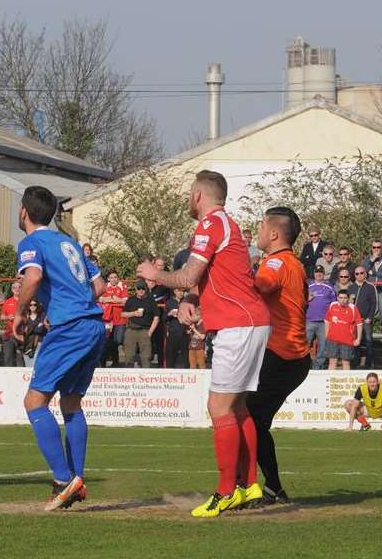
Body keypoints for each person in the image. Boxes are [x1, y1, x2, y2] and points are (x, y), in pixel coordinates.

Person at [135, 169, 270, 518]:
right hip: (248, 322)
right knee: (237, 409)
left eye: (189, 193)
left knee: (219, 409)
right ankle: (248, 484)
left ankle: (225, 492)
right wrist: (189, 299)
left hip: (238, 326)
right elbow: (205, 279)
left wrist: (155, 276)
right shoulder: (226, 224)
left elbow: (188, 274)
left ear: (198, 194)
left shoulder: (210, 225)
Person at [10, 186, 106, 511]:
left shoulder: (31, 243)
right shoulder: (69, 243)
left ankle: (64, 480)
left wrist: (20, 312)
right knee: (71, 403)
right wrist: (78, 305)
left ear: (24, 211)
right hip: (94, 325)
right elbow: (99, 285)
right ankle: (75, 482)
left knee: (35, 402)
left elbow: (34, 277)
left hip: (70, 328)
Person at [246, 206, 311, 506]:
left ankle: (248, 487)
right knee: (254, 419)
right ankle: (269, 487)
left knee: (243, 416)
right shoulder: (294, 264)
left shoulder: (275, 263)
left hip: (282, 355)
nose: (257, 232)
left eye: (260, 226)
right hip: (293, 358)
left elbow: (259, 288)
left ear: (273, 234)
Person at [122, 280, 159, 368]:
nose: (141, 290)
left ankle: (146, 378)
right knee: (129, 356)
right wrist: (133, 313)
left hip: (145, 330)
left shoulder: (151, 301)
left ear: (145, 289)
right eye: (139, 288)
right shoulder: (131, 300)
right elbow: (123, 314)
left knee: (146, 357)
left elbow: (156, 317)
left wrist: (150, 331)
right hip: (131, 329)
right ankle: (128, 378)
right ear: (135, 289)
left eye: (143, 288)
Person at [306, 265, 335, 370]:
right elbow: (300, 301)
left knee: (323, 345)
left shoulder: (330, 287)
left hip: (324, 321)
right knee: (305, 344)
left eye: (321, 272)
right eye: (317, 272)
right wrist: (307, 299)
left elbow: (334, 304)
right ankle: (304, 365)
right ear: (314, 274)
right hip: (309, 320)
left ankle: (318, 366)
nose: (318, 274)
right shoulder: (308, 286)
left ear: (324, 274)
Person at [324, 289, 361, 371]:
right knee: (332, 362)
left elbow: (359, 324)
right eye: (340, 298)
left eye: (345, 298)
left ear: (348, 298)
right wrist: (326, 335)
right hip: (332, 339)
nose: (342, 300)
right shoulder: (332, 305)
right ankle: (330, 382)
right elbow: (327, 321)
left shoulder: (353, 308)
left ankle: (345, 383)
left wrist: (358, 339)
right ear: (337, 298)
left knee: (346, 363)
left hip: (347, 340)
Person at [99, 271, 128, 367]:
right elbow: (100, 299)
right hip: (107, 319)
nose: (114, 279)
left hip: (120, 319)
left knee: (117, 340)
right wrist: (113, 298)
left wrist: (115, 300)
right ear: (108, 279)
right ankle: (109, 362)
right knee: (107, 341)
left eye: (115, 277)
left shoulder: (122, 286)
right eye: (111, 277)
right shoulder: (105, 286)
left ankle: (115, 361)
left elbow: (125, 301)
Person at [352, 266, 378, 368]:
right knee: (355, 342)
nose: (359, 275)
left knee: (368, 341)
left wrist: (370, 317)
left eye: (361, 273)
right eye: (357, 274)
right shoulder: (351, 287)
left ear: (365, 274)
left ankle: (370, 364)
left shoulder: (370, 286)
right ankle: (355, 363)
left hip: (365, 320)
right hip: (354, 321)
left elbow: (373, 303)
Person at [164, 288, 189, 368]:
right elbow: (163, 318)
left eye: (182, 291)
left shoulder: (186, 302)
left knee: (186, 358)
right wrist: (169, 314)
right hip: (173, 333)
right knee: (170, 357)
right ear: (175, 291)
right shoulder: (169, 302)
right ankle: (169, 377)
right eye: (179, 291)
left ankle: (188, 378)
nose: (181, 293)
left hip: (185, 333)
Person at [19, 300, 47, 367]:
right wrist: (36, 327)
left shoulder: (41, 316)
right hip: (27, 344)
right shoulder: (25, 317)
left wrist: (30, 329)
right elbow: (22, 331)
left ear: (37, 306)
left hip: (38, 343)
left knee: (35, 365)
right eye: (30, 305)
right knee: (28, 366)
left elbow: (40, 330)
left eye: (34, 304)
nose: (32, 306)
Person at [0, 281, 22, 367]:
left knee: (20, 359)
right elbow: (2, 317)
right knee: (8, 358)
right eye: (14, 287)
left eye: (19, 287)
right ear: (12, 290)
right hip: (9, 334)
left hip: (21, 333)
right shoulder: (8, 302)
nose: (17, 289)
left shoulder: (25, 301)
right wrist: (7, 317)